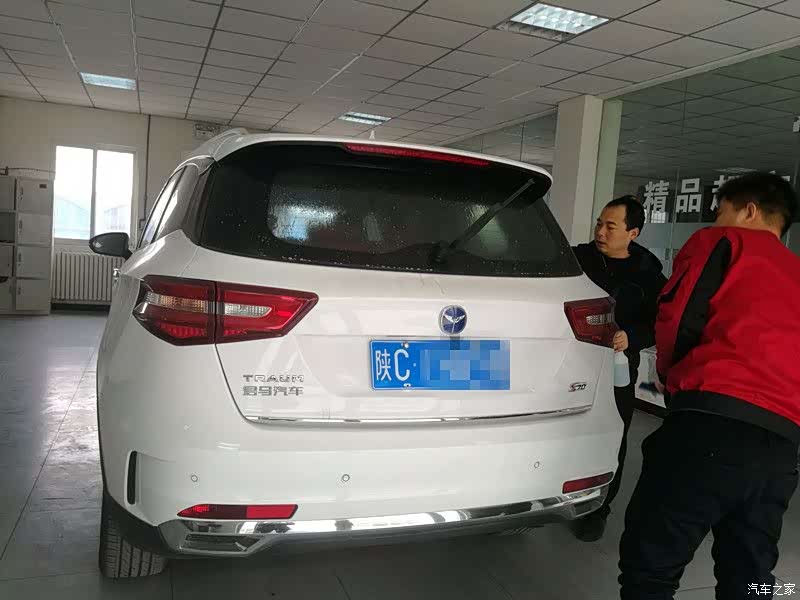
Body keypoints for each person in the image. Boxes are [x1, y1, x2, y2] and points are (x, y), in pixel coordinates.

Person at [618, 172, 800, 600]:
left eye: (721, 211)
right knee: (751, 574)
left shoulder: (723, 243)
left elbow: (677, 316)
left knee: (651, 568)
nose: (716, 220)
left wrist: (671, 380)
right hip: (780, 448)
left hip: (710, 424)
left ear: (749, 211)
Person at [572, 195, 668, 542]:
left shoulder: (650, 277)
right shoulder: (577, 260)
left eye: (610, 226)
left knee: (613, 435)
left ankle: (598, 509)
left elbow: (660, 322)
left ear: (633, 233)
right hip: (571, 361)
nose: (600, 232)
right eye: (599, 223)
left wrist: (634, 336)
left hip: (618, 367)